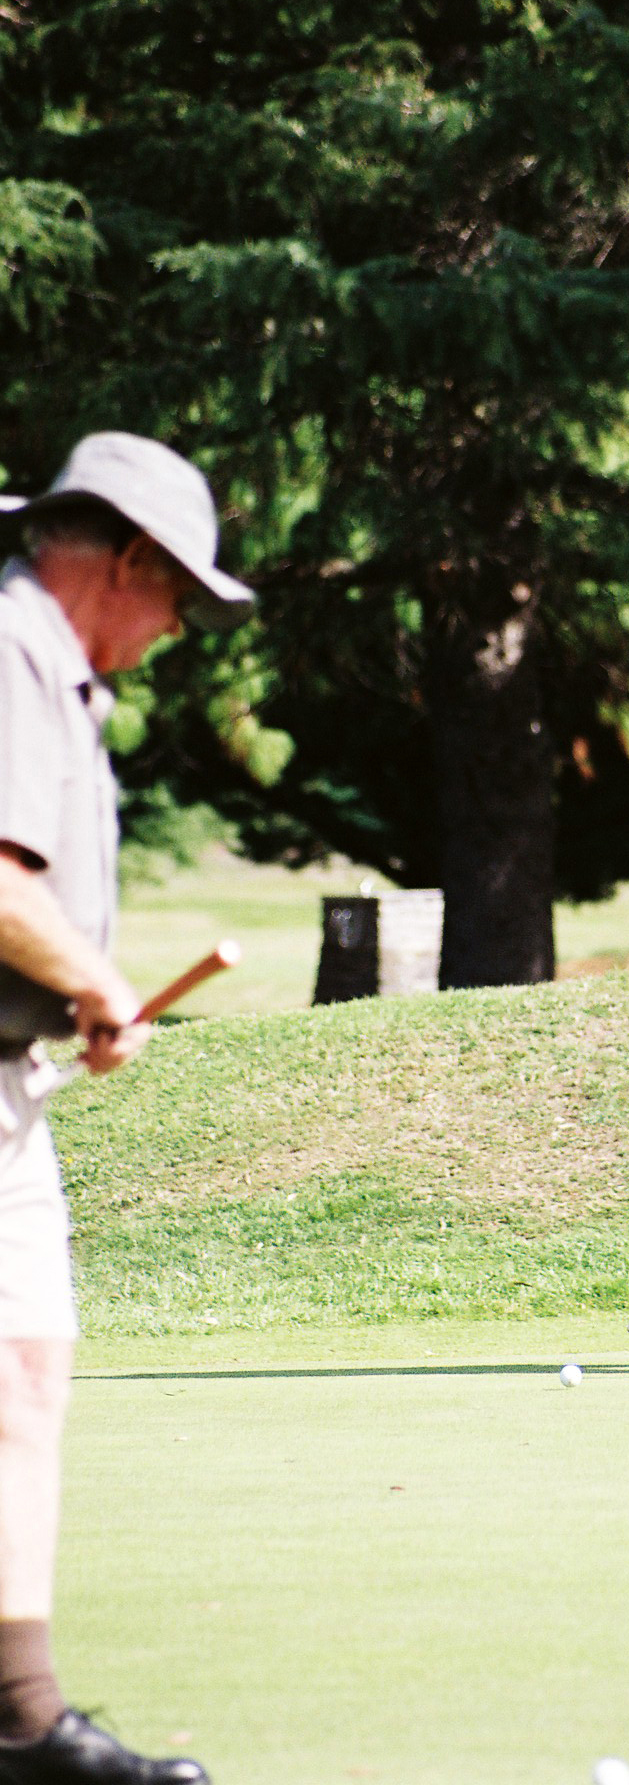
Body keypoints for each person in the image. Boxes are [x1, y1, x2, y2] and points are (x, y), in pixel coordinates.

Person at [0, 433, 254, 1783]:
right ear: (130, 562)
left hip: (9, 1078)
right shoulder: (9, 649)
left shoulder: (62, 677)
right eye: (179, 601)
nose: (178, 630)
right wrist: (96, 983)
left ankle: (23, 1718)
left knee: (28, 1370)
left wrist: (68, 1000)